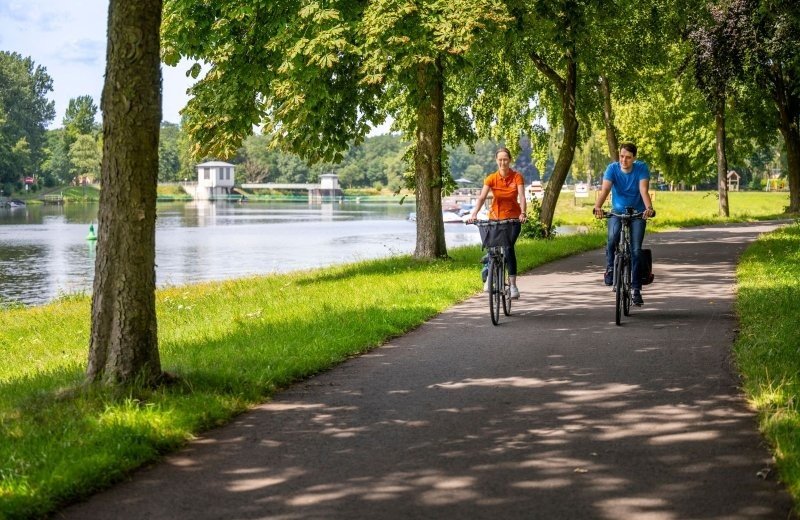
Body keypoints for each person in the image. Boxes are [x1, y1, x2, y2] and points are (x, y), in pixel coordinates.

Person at [593, 142, 655, 306]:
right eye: (621, 156)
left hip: (637, 213)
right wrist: (597, 207)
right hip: (617, 212)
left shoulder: (641, 168)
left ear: (634, 158)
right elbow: (605, 189)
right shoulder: (612, 169)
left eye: (628, 157)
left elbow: (643, 190)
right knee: (612, 239)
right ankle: (611, 269)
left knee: (635, 250)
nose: (624, 160)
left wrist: (649, 208)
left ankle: (636, 289)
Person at [468, 147, 527, 299]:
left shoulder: (517, 177)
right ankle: (489, 277)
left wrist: (523, 213)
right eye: (500, 160)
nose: (502, 162)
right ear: (496, 161)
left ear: (510, 160)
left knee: (508, 248)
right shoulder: (491, 178)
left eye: (505, 159)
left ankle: (513, 286)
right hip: (495, 218)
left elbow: (522, 196)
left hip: (513, 220)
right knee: (492, 246)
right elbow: (482, 198)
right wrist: (474, 214)